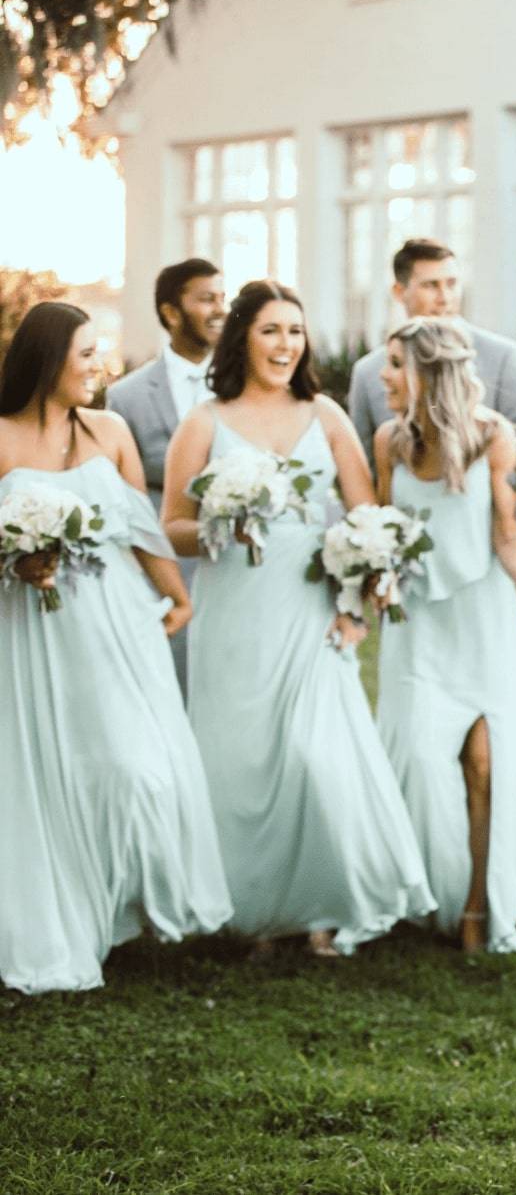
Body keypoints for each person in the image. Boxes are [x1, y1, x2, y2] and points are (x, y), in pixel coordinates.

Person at [162, 280, 434, 958]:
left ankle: (326, 906)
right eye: (270, 331)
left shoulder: (327, 415)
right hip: (234, 613)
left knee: (319, 755)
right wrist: (225, 518)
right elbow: (172, 526)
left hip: (313, 607)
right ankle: (251, 914)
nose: (286, 344)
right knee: (241, 761)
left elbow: (366, 519)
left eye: (295, 330)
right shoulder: (204, 421)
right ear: (242, 340)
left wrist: (357, 611)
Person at [0, 302, 231, 994]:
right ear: (46, 361)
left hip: (116, 627)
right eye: (85, 352)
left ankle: (118, 904)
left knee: (139, 770)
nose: (99, 365)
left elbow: (139, 529)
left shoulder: (111, 429)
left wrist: (178, 596)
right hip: (31, 632)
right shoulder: (2, 438)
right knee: (48, 772)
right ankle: (67, 919)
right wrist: (17, 563)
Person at [373, 318, 516, 954]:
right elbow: (380, 529)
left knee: (484, 764)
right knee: (423, 759)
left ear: (426, 371)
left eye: (394, 365)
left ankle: (479, 904)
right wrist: (376, 579)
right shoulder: (388, 442)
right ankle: (424, 888)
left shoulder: (491, 436)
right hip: (419, 626)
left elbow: (506, 530)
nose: (383, 377)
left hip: (482, 618)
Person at [106, 257, 226, 692]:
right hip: (167, 566)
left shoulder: (244, 384)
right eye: (206, 299)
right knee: (172, 687)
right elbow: (120, 499)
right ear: (171, 312)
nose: (219, 309)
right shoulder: (126, 397)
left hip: (237, 561)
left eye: (222, 298)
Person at [347, 238, 516, 461]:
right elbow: (365, 465)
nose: (445, 298)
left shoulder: (504, 356)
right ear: (400, 292)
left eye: (451, 284)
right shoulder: (368, 372)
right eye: (431, 285)